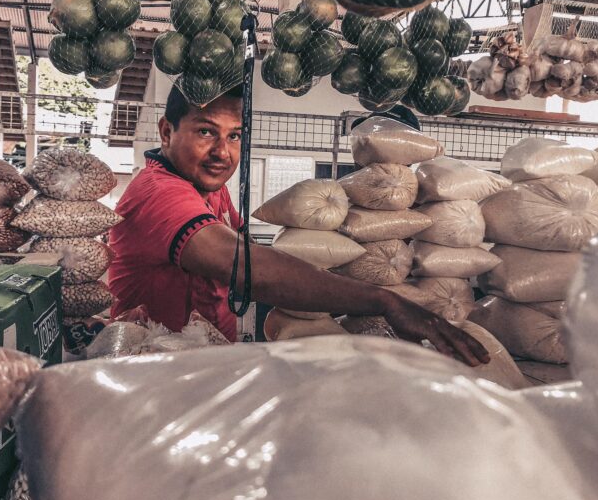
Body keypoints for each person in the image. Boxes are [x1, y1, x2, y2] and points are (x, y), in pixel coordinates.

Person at [108, 85, 489, 366]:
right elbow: (245, 265)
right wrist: (383, 301)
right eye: (206, 132)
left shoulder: (210, 190)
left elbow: (262, 254)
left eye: (235, 136)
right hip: (155, 372)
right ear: (166, 132)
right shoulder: (160, 193)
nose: (222, 153)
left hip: (198, 363)